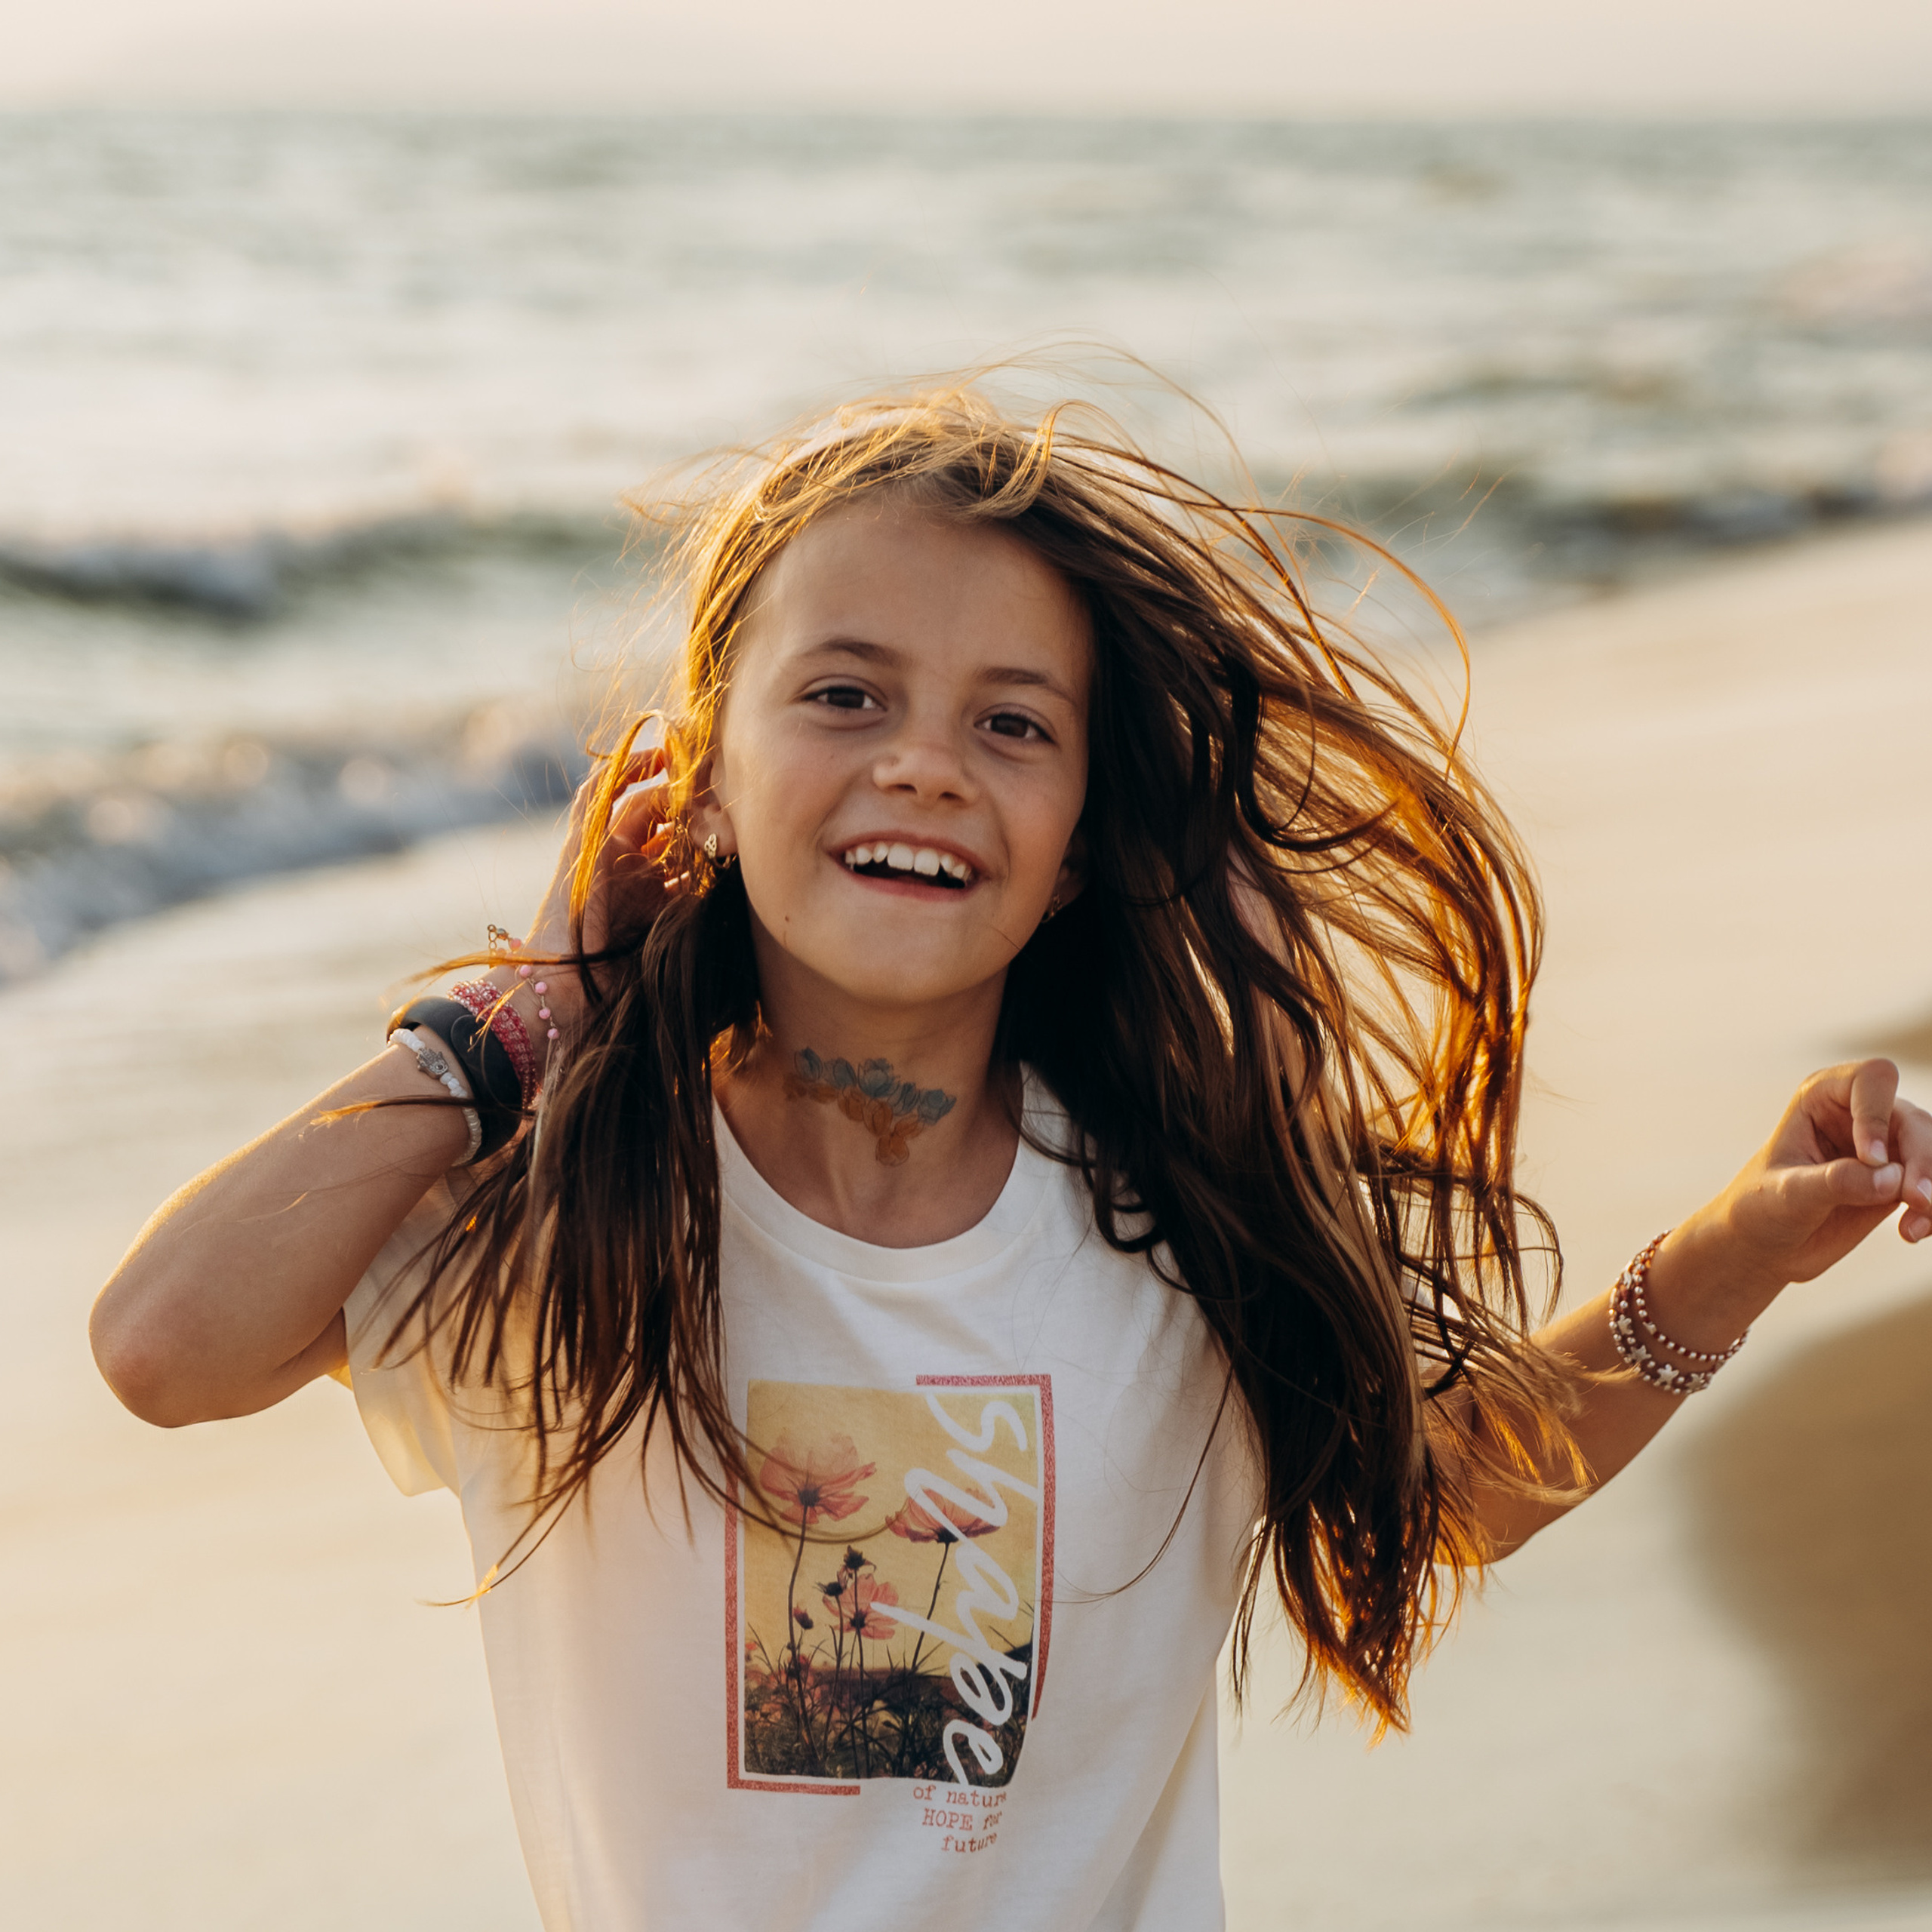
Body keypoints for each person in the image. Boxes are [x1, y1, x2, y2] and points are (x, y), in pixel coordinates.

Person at [90, 389, 1931, 1931]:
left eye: (1011, 724)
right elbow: (164, 1345)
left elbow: (1434, 1490)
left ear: (1071, 834)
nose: (923, 765)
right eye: (842, 696)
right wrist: (533, 1015)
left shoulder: (1167, 1223)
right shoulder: (572, 1216)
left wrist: (1733, 1252)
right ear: (700, 784)